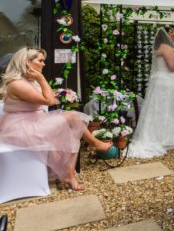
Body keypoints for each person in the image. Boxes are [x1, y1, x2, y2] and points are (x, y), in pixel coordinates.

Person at [0, 47, 112, 191]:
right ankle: (90, 148)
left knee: (73, 125)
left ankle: (70, 173)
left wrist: (38, 79)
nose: (43, 64)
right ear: (27, 62)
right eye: (40, 61)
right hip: (21, 128)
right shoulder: (17, 84)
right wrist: (41, 78)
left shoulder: (29, 81)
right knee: (73, 117)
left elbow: (49, 99)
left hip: (35, 121)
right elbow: (51, 100)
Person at [128, 26, 174, 159]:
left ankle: (158, 134)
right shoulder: (167, 48)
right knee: (171, 108)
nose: (173, 35)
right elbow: (171, 67)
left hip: (159, 81)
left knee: (158, 109)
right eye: (171, 33)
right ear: (165, 35)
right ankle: (170, 136)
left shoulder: (157, 49)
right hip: (169, 82)